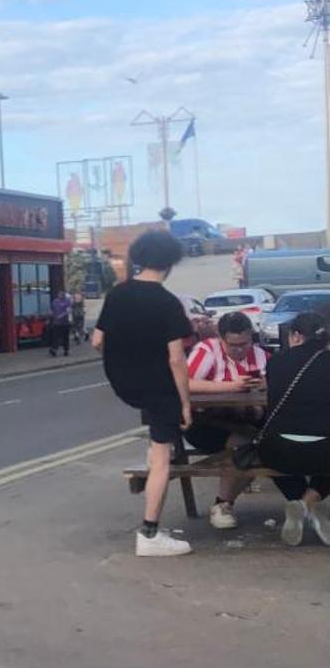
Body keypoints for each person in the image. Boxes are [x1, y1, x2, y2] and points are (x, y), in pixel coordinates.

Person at [92, 228, 194, 558]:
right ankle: (149, 533)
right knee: (164, 457)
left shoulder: (117, 294)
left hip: (124, 383)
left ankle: (152, 456)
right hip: (159, 387)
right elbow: (176, 359)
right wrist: (185, 403)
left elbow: (96, 341)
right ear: (170, 264)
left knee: (157, 446)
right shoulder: (167, 303)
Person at [185, 310, 267, 530]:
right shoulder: (206, 351)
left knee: (260, 444)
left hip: (247, 420)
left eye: (245, 343)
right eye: (234, 345)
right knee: (241, 445)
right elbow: (186, 383)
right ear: (221, 339)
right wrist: (231, 387)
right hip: (204, 423)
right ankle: (223, 504)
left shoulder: (260, 356)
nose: (240, 350)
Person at [258, 310, 330, 547]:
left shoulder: (276, 361)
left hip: (278, 451)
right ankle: (308, 503)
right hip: (323, 451)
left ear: (296, 336)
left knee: (266, 446)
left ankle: (300, 503)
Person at [47, 287, 72, 357]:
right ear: (58, 295)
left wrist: (62, 315)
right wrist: (50, 315)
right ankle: (54, 350)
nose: (61, 295)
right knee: (56, 337)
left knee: (65, 338)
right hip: (56, 323)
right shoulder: (55, 302)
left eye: (62, 294)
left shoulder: (67, 301)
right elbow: (51, 310)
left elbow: (69, 311)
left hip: (65, 323)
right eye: (60, 294)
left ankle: (66, 350)